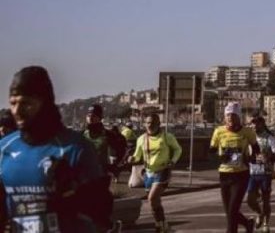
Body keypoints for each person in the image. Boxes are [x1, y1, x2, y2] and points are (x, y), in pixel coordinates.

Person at [1, 66, 113, 232]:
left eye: (26, 103)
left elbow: (102, 215)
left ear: (44, 102)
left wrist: (73, 194)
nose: (17, 111)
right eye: (13, 103)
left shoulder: (75, 147)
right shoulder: (4, 148)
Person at [209, 102, 258, 233]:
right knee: (230, 212)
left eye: (233, 116)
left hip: (241, 175)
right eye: (227, 116)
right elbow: (211, 152)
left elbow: (256, 148)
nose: (230, 119)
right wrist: (220, 158)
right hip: (224, 175)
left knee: (232, 211)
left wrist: (251, 158)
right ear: (224, 118)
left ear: (238, 117)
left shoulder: (247, 132)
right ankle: (248, 223)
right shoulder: (219, 131)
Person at [130, 112, 182, 233]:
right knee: (155, 203)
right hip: (148, 173)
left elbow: (178, 149)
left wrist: (173, 161)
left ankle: (160, 227)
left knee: (152, 198)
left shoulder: (166, 137)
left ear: (159, 124)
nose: (150, 125)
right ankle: (162, 225)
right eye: (148, 123)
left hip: (163, 171)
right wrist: (132, 159)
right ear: (144, 124)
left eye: (153, 123)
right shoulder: (141, 139)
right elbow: (137, 156)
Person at [248, 116, 275, 233]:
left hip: (265, 172)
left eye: (257, 123)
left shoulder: (269, 137)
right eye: (253, 123)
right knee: (250, 200)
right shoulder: (249, 137)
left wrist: (268, 157)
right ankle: (259, 213)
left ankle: (266, 223)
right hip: (252, 172)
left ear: (262, 124)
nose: (254, 126)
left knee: (266, 200)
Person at [83, 104, 127, 178]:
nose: (90, 118)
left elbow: (122, 148)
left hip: (101, 174)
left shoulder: (107, 134)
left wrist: (113, 166)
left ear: (99, 118)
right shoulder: (82, 134)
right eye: (88, 115)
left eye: (94, 116)